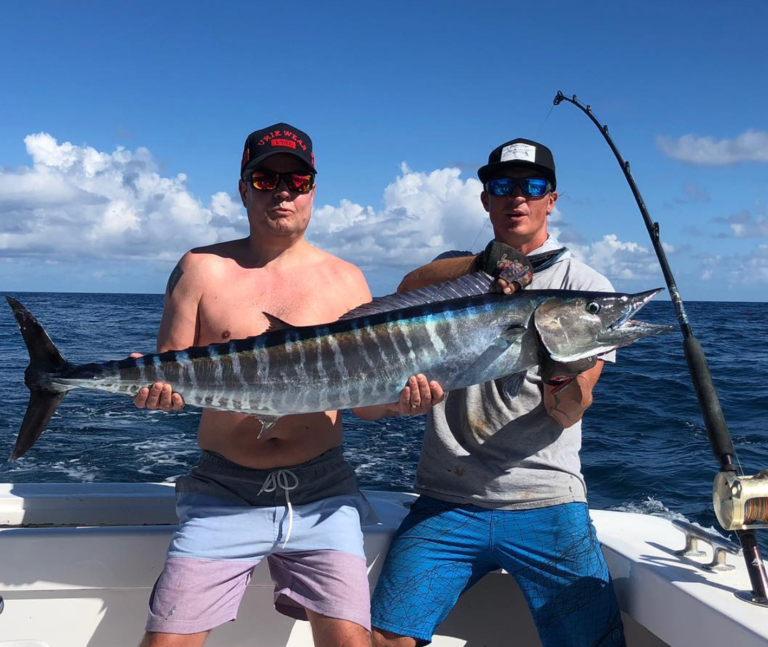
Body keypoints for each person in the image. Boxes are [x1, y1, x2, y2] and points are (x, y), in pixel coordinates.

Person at [364, 138, 627, 647]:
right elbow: (407, 287)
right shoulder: (458, 272)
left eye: (532, 186)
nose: (517, 197)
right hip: (447, 499)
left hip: (546, 498)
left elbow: (569, 412)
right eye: (503, 186)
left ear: (551, 199)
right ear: (486, 199)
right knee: (385, 639)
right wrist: (486, 263)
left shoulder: (585, 286)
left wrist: (558, 367)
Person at [133, 123, 378, 647]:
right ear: (244, 189)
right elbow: (170, 370)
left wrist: (408, 401)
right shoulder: (200, 268)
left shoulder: (348, 280)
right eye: (267, 179)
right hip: (223, 492)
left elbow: (369, 406)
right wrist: (154, 391)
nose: (283, 191)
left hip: (324, 494)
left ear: (313, 190)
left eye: (297, 180)